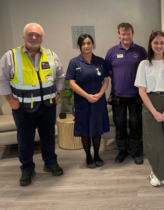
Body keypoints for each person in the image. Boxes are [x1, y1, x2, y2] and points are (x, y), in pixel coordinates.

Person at [0, 23, 65, 186]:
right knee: (25, 140)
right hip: (22, 108)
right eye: (30, 34)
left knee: (49, 136)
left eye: (37, 35)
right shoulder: (11, 56)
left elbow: (60, 76)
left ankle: (50, 163)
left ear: (42, 38)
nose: (34, 38)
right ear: (24, 36)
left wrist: (58, 93)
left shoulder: (51, 55)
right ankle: (27, 169)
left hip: (48, 105)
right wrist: (10, 100)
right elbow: (2, 79)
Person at [134, 31, 164, 186]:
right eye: (156, 42)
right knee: (155, 143)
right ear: (150, 44)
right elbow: (141, 90)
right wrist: (154, 112)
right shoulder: (144, 64)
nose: (159, 46)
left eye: (162, 43)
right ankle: (156, 172)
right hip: (151, 104)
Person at [105, 22, 147, 165]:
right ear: (119, 35)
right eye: (123, 34)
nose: (126, 36)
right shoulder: (111, 52)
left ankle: (135, 152)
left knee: (136, 124)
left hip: (136, 95)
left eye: (128, 33)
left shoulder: (141, 51)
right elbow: (109, 73)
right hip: (118, 96)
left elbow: (147, 71)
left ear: (132, 34)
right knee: (120, 124)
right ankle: (122, 150)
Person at [65, 34, 110, 168]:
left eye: (89, 43)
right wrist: (87, 96)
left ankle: (96, 154)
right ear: (79, 46)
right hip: (82, 102)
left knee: (97, 129)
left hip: (98, 101)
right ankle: (88, 157)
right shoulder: (74, 62)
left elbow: (106, 80)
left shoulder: (100, 61)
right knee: (84, 130)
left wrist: (100, 94)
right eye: (83, 44)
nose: (86, 46)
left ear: (93, 44)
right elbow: (72, 82)